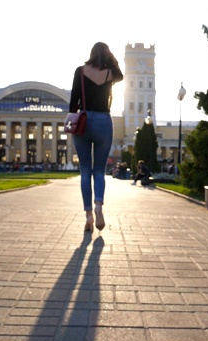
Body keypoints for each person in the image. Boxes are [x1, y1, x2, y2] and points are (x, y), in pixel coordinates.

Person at [69, 42, 123, 232]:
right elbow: (121, 75)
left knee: (85, 170)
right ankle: (99, 205)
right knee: (99, 170)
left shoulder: (80, 71)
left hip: (83, 121)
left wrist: (73, 121)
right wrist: (110, 59)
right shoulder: (110, 73)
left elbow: (73, 100)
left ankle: (89, 216)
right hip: (103, 122)